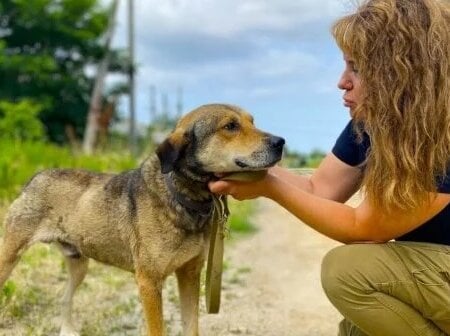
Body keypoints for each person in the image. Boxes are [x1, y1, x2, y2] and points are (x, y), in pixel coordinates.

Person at [208, 0, 450, 335]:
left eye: (357, 68)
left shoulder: (442, 132)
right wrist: (247, 167)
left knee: (348, 272)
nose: (342, 82)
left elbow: (364, 227)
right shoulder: (373, 124)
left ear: (402, 73)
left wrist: (269, 187)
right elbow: (318, 189)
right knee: (358, 328)